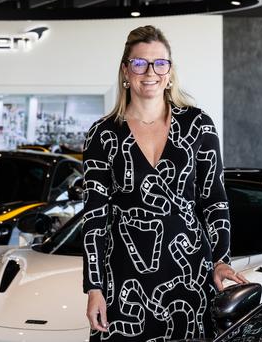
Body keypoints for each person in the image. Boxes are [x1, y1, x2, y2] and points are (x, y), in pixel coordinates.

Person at [82, 25, 248, 341]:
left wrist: (221, 259)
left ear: (169, 72)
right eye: (139, 63)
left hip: (191, 277)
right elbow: (94, 217)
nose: (150, 72)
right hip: (123, 282)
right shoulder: (102, 134)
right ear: (125, 71)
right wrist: (94, 286)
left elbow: (214, 199)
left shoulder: (199, 125)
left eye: (160, 63)